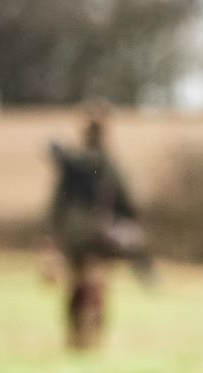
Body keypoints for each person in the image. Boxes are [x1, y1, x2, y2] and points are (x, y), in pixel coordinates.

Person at [47, 102, 146, 350]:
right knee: (97, 282)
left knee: (75, 283)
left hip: (72, 233)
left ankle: (74, 335)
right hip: (98, 231)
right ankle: (95, 335)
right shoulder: (107, 163)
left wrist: (53, 233)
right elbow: (124, 197)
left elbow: (57, 201)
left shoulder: (69, 162)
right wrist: (131, 223)